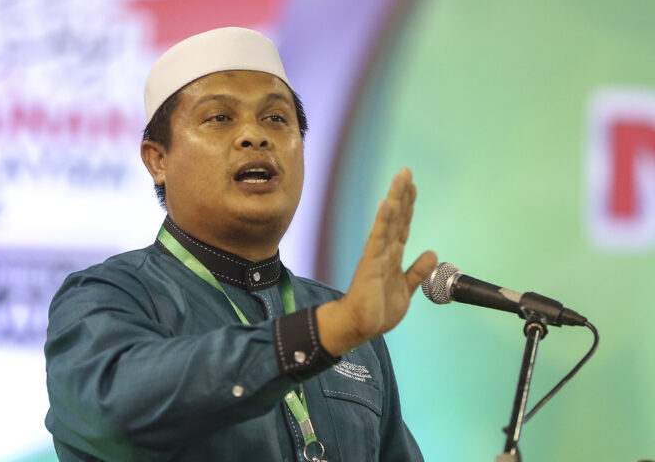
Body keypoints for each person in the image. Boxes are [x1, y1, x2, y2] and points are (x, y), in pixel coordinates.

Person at [44, 27, 437, 462]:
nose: (255, 135)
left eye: (276, 119)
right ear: (158, 160)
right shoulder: (107, 296)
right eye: (219, 118)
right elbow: (114, 409)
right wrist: (323, 333)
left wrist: (340, 326)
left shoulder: (347, 321)